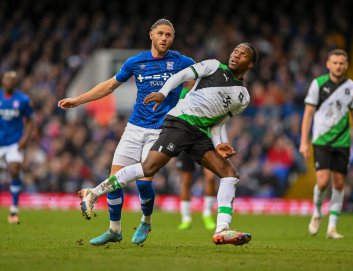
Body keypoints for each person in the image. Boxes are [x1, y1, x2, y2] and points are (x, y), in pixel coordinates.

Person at [78, 42, 258, 246]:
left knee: (230, 174)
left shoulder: (243, 98)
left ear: (250, 64)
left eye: (242, 55)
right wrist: (163, 93)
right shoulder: (213, 66)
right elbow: (180, 76)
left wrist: (218, 144)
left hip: (200, 134)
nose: (236, 55)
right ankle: (94, 193)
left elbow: (217, 123)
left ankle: (222, 229)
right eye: (235, 51)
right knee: (148, 168)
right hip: (181, 122)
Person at [58, 19, 195, 245]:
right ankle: (114, 229)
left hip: (161, 130)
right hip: (134, 127)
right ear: (151, 34)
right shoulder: (136, 62)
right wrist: (78, 100)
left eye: (169, 35)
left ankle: (146, 221)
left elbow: (206, 76)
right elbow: (110, 85)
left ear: (173, 38)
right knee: (115, 180)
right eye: (160, 33)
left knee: (143, 183)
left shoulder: (182, 62)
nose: (164, 38)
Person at [299, 49, 353, 239]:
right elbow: (308, 114)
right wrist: (304, 141)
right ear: (328, 64)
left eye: (342, 63)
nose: (338, 66)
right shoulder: (318, 84)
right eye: (335, 62)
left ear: (346, 65)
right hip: (321, 140)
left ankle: (332, 227)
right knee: (322, 183)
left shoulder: (352, 87)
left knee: (338, 183)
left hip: (343, 142)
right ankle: (317, 213)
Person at [0, 71, 33, 224]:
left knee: (14, 170)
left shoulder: (22, 100)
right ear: (3, 81)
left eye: (13, 80)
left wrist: (25, 138)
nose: (10, 82)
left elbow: (30, 121)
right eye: (7, 79)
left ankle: (14, 208)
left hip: (14, 142)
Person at [176, 151, 216, 230]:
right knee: (185, 181)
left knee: (210, 177)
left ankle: (207, 214)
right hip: (186, 145)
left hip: (204, 144)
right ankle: (186, 219)